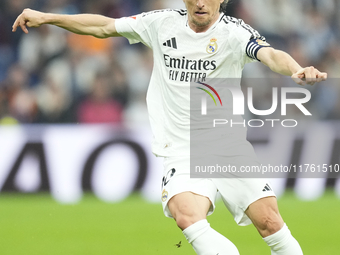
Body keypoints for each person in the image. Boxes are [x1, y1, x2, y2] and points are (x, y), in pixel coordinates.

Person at [12, 1, 327, 254]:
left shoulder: (234, 33)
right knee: (187, 216)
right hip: (179, 148)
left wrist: (297, 69)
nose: (201, 4)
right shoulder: (160, 23)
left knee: (270, 223)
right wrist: (48, 17)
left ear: (223, 2)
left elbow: (270, 54)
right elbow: (104, 26)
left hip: (226, 145)